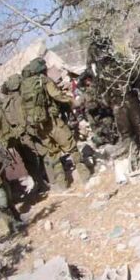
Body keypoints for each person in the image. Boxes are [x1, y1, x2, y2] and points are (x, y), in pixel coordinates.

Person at [19, 57, 89, 190]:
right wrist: (72, 101)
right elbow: (56, 95)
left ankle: (62, 185)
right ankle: (85, 176)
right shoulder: (43, 80)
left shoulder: (24, 86)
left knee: (53, 154)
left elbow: (23, 109)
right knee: (71, 147)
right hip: (53, 122)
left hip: (40, 127)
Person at [86, 30, 140, 165]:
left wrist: (106, 101)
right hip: (130, 99)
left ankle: (134, 158)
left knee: (126, 134)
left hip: (117, 104)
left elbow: (99, 90)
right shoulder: (121, 63)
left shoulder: (101, 73)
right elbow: (137, 76)